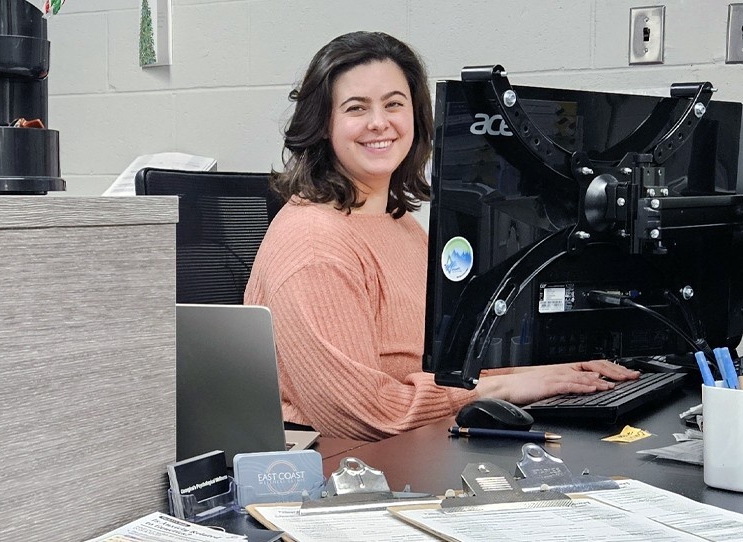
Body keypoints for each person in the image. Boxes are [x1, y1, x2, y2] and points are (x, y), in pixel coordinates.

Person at [243, 31, 638, 442]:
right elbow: (361, 416)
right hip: (337, 472)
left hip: (413, 451)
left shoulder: (398, 223)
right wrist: (503, 389)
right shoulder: (314, 246)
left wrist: (542, 374)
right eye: (356, 108)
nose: (380, 123)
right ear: (324, 124)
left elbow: (433, 369)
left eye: (394, 104)